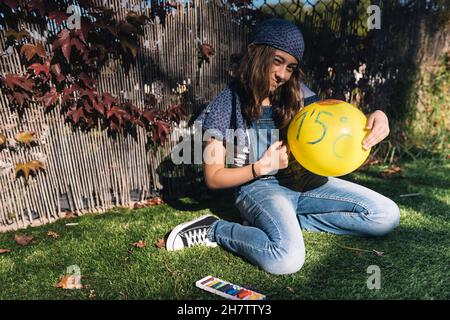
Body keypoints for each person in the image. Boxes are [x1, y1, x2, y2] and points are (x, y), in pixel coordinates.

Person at [165, 19, 400, 275]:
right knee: (286, 259)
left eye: (291, 67)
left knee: (385, 215)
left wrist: (376, 115)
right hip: (261, 188)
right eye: (277, 61)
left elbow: (334, 123)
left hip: (307, 182)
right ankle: (216, 229)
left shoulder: (299, 93)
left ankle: (288, 222)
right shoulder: (224, 106)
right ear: (254, 51)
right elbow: (214, 177)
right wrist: (259, 168)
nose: (282, 74)